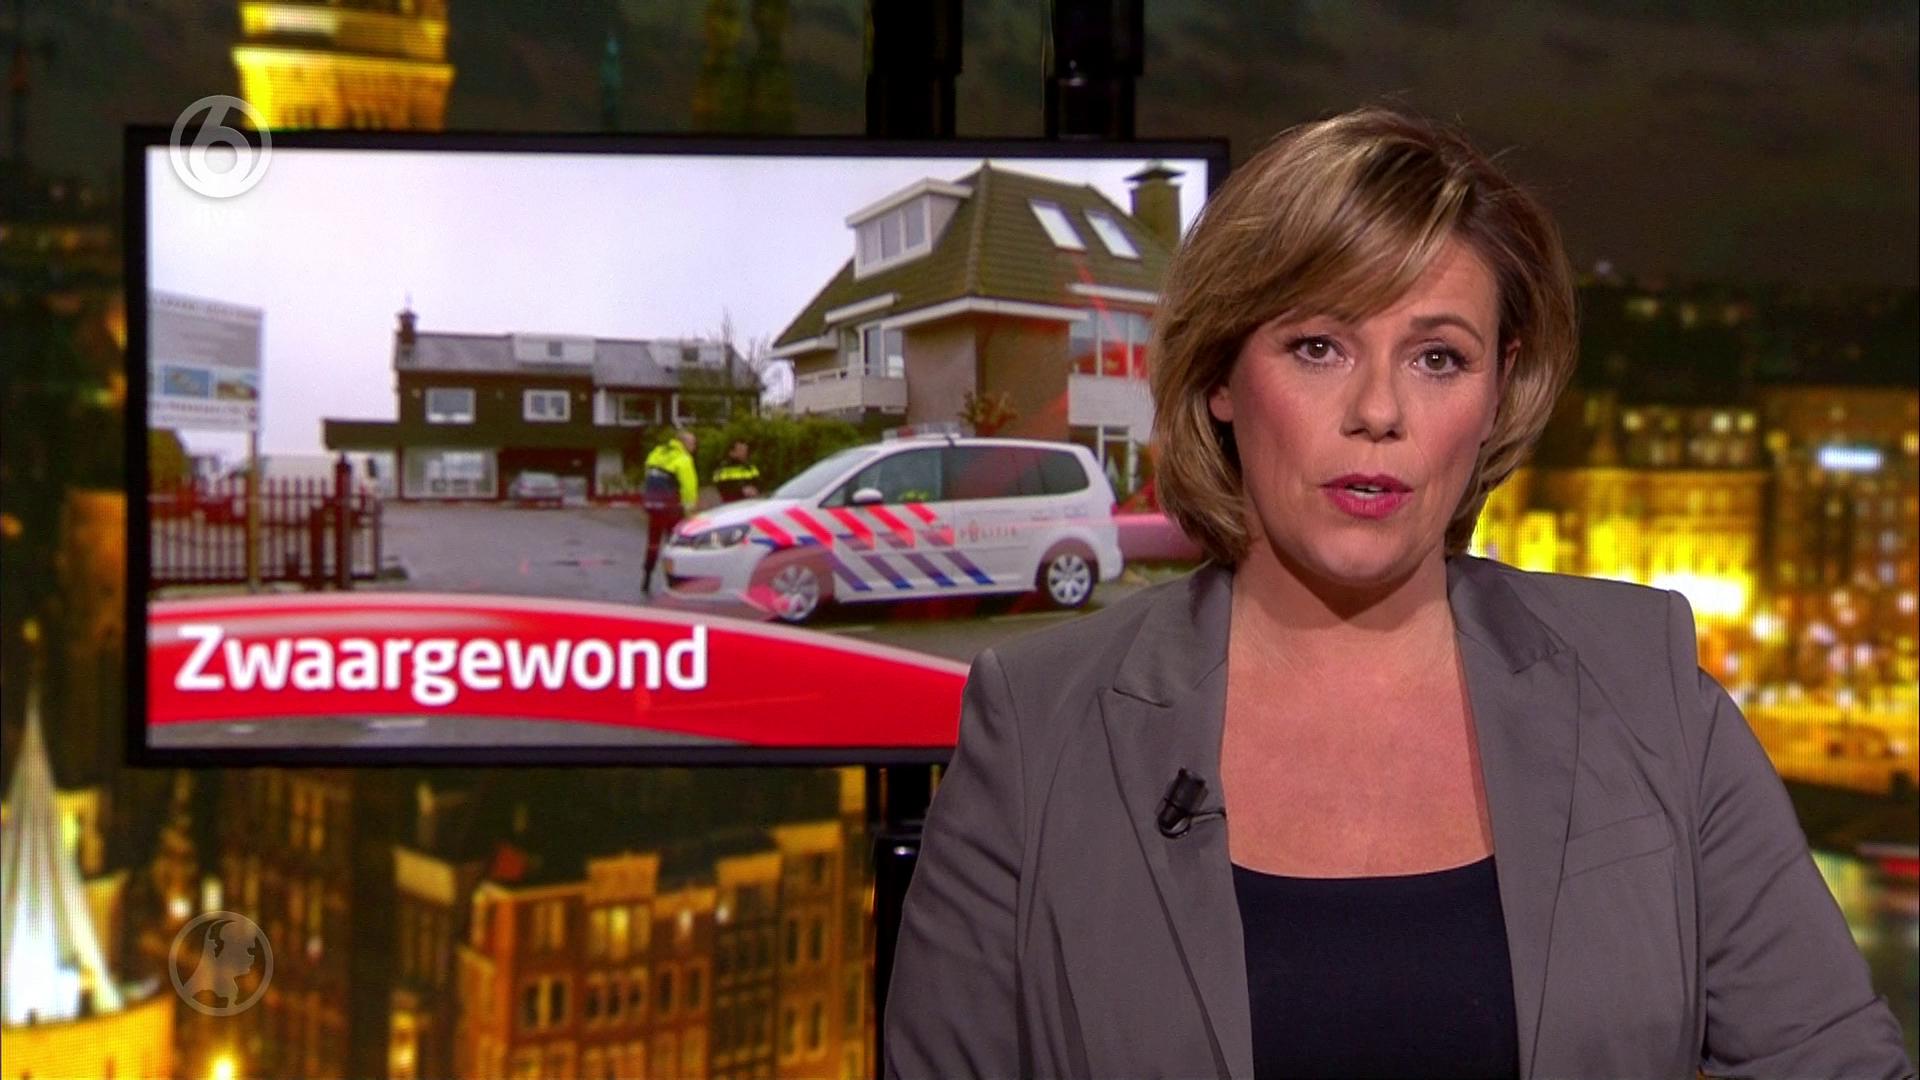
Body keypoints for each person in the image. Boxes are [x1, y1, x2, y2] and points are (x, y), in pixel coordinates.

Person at [883, 107, 1912, 1080]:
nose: (1378, 409)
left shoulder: (1647, 692)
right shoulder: (1040, 728)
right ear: (1221, 378)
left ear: (1498, 390)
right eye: (1318, 347)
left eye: (1436, 357)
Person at [639, 428, 697, 594]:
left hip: (653, 505)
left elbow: (647, 474)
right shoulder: (683, 458)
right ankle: (673, 579)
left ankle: (647, 577)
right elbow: (688, 487)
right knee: (674, 543)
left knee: (653, 542)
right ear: (683, 443)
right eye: (692, 443)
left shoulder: (657, 453)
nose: (694, 447)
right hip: (671, 507)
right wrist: (690, 511)